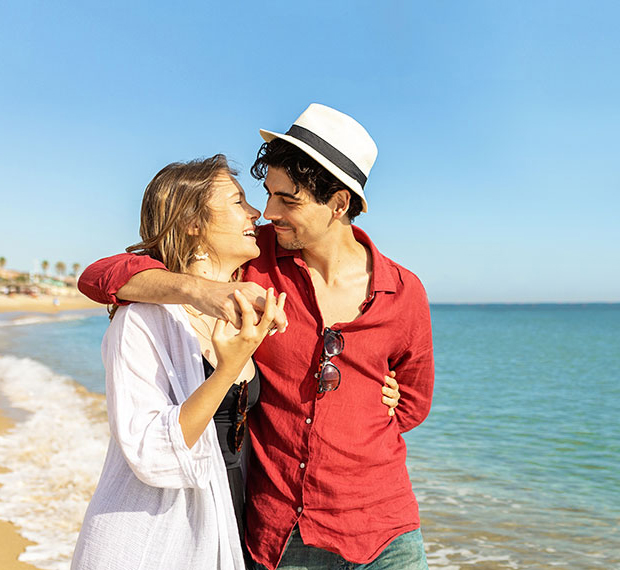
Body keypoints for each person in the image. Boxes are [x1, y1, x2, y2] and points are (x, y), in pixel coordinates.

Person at [78, 103, 434, 569]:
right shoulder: (254, 260)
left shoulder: (404, 293)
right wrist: (202, 291)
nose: (268, 211)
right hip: (279, 535)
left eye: (288, 200)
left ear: (338, 204)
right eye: (268, 193)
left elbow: (412, 402)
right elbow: (101, 275)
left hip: (385, 532)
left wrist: (368, 404)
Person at [71, 155, 280, 569]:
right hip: (156, 540)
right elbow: (152, 452)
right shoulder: (143, 320)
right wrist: (226, 370)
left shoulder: (249, 302)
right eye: (238, 201)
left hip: (232, 530)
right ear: (192, 222)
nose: (256, 212)